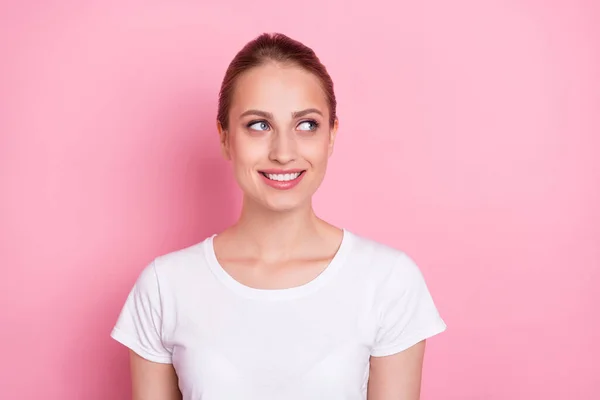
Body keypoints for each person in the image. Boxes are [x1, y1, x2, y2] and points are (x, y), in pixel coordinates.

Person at [110, 32, 447, 400]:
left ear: (331, 135)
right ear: (224, 137)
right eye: (259, 125)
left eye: (306, 125)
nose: (284, 153)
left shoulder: (387, 281)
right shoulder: (164, 288)